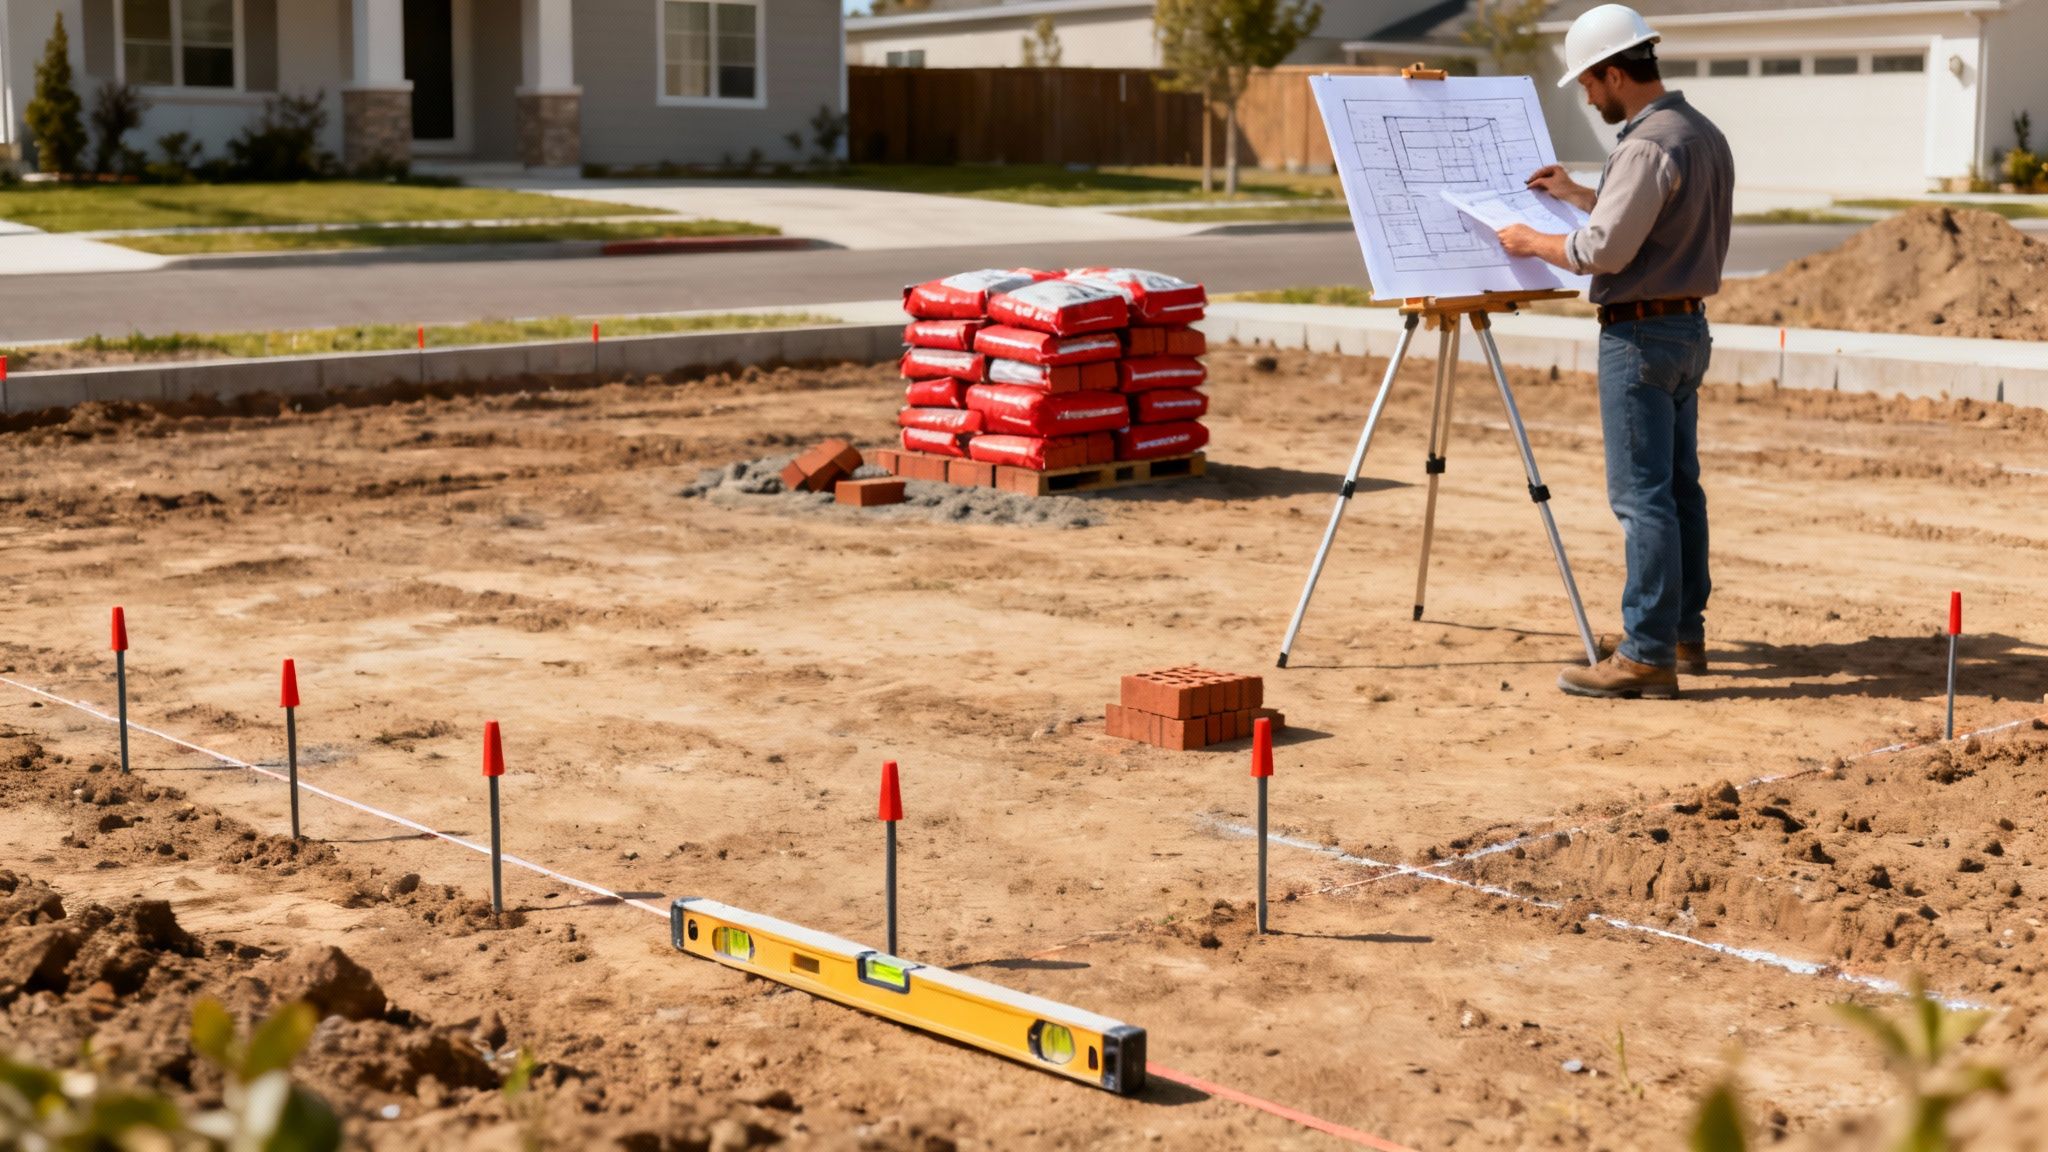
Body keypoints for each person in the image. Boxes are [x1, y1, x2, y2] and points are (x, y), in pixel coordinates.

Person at [1494, 2, 1734, 700]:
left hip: (1639, 336)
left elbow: (1603, 249)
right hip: (1687, 330)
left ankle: (1646, 654)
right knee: (1680, 491)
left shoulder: (1645, 143)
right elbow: (1649, 218)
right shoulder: (1699, 133)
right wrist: (1579, 194)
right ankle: (1682, 632)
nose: (1589, 96)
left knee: (1642, 499)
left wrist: (1531, 241)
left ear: (1613, 72)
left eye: (1589, 84)